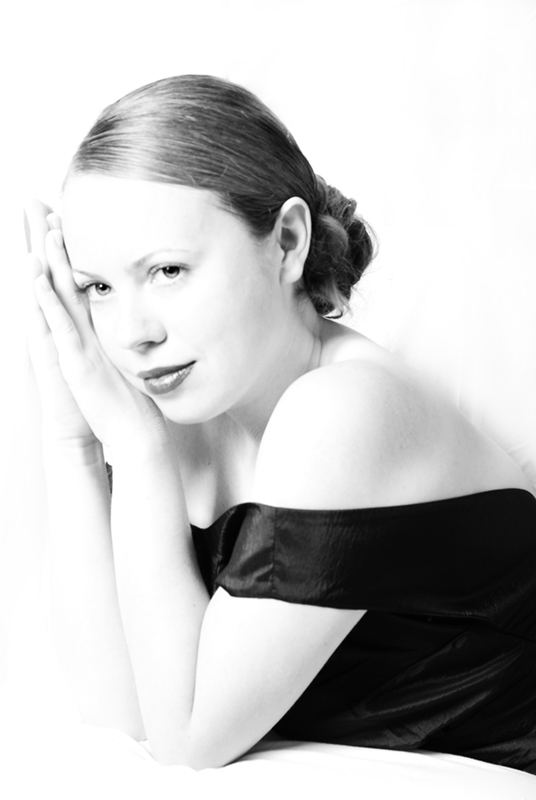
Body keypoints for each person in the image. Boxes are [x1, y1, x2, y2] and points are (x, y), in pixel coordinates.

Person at [24, 74, 536, 772]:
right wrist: (73, 443)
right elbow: (121, 717)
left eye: (168, 270)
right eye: (98, 287)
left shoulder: (343, 409)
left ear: (287, 242)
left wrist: (136, 451)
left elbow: (188, 741)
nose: (133, 332)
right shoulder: (186, 403)